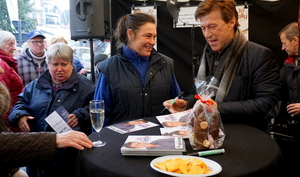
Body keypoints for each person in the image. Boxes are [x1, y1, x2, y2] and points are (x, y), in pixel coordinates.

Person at [163, 0, 281, 132]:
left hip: (247, 138)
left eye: (212, 26)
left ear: (231, 22)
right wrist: (187, 103)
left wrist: (218, 108)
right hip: (209, 134)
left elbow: (266, 103)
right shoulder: (207, 56)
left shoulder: (259, 55)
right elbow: (200, 93)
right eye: (203, 28)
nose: (207, 34)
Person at [9, 43, 95, 177]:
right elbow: (20, 103)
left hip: (69, 158)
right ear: (48, 64)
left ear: (72, 64)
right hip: (38, 152)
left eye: (64, 64)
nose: (59, 69)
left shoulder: (87, 87)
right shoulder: (35, 86)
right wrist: (20, 115)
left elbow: (99, 109)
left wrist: (81, 114)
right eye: (55, 64)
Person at [94, 13, 182, 126]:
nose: (153, 42)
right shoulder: (109, 68)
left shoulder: (165, 64)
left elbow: (177, 103)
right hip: (122, 141)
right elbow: (99, 113)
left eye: (154, 36)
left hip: (160, 139)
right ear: (130, 34)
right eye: (147, 36)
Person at [278, 22, 300, 142]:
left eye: (284, 43)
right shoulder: (289, 65)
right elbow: (275, 86)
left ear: (295, 41)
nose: (282, 48)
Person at [0, 31, 23, 132]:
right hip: (10, 120)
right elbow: (3, 99)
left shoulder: (7, 63)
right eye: (10, 44)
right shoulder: (3, 65)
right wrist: (8, 126)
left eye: (14, 44)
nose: (14, 48)